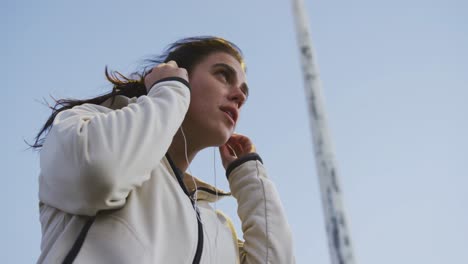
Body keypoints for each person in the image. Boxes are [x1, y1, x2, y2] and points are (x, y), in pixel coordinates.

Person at [33, 36, 294, 264]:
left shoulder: (218, 227)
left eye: (244, 91)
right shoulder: (88, 126)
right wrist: (170, 90)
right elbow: (99, 174)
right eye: (223, 75)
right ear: (178, 75)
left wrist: (249, 174)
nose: (240, 95)